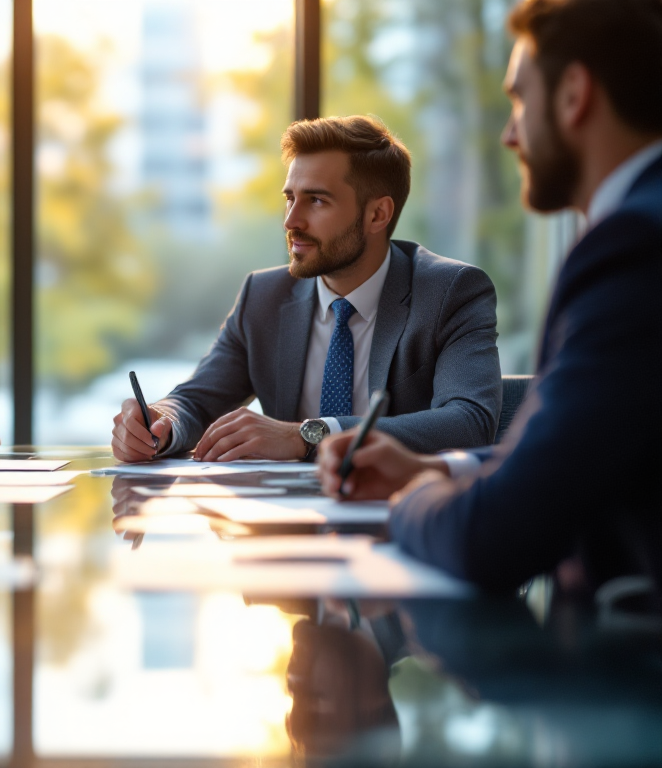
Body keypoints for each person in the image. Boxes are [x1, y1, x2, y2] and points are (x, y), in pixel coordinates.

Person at [317, 0, 662, 601]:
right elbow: (590, 458)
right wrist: (438, 470)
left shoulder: (633, 247)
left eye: (520, 99)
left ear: (574, 94)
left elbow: (497, 536)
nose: (509, 133)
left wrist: (409, 500)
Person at [112, 116, 501, 465]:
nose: (291, 220)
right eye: (289, 198)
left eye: (316, 200)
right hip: (286, 527)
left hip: (399, 519)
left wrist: (308, 435)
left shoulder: (451, 292)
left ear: (377, 214)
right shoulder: (262, 297)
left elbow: (468, 421)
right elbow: (196, 401)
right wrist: (160, 422)